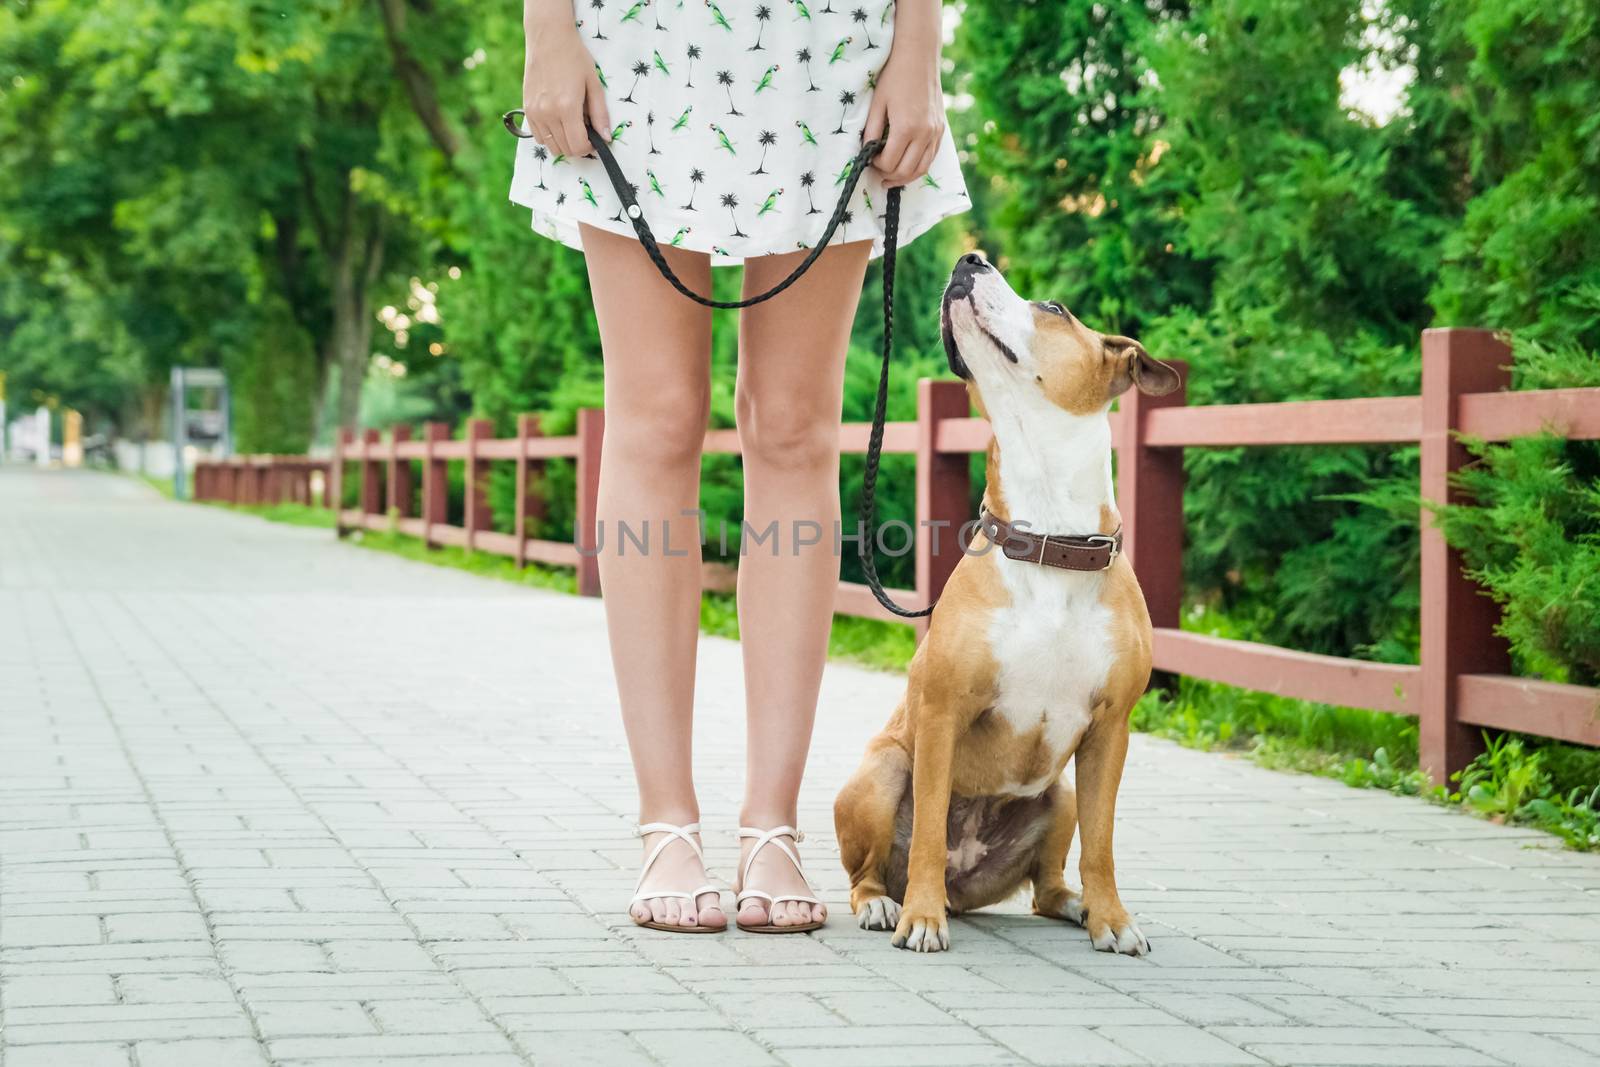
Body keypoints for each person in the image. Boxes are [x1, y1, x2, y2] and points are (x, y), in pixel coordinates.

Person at [511, 0, 969, 933]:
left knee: (796, 425)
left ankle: (773, 823)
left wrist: (918, 49)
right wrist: (544, 33)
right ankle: (666, 822)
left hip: (826, 38)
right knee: (656, 417)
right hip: (638, 35)